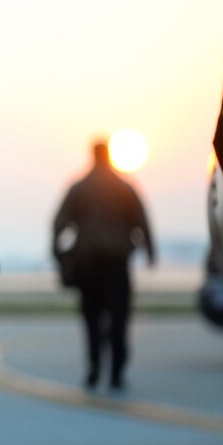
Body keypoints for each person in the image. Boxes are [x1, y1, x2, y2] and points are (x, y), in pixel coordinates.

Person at [52, 140, 155, 389]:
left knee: (91, 318)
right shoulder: (124, 187)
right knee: (119, 318)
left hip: (88, 264)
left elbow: (58, 224)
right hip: (117, 263)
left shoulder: (79, 188)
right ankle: (117, 372)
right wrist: (150, 251)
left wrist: (60, 257)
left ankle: (94, 367)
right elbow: (142, 220)